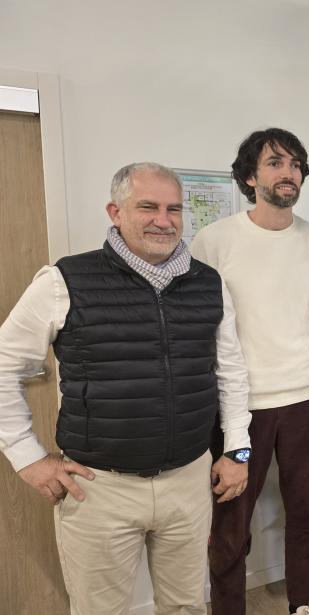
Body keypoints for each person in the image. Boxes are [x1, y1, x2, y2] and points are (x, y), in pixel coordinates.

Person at [0, 162, 251, 615]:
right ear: (115, 212)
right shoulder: (64, 281)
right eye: (148, 207)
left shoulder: (208, 284)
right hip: (98, 489)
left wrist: (238, 450)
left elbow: (231, 373)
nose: (164, 219)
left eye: (174, 208)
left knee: (188, 607)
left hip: (189, 481)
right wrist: (28, 458)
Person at [191, 128, 309, 615]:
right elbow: (201, 325)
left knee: (305, 516)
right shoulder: (214, 241)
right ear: (251, 177)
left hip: (306, 402)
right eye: (275, 163)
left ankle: (300, 604)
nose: (288, 172)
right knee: (231, 526)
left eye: (295, 164)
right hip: (239, 407)